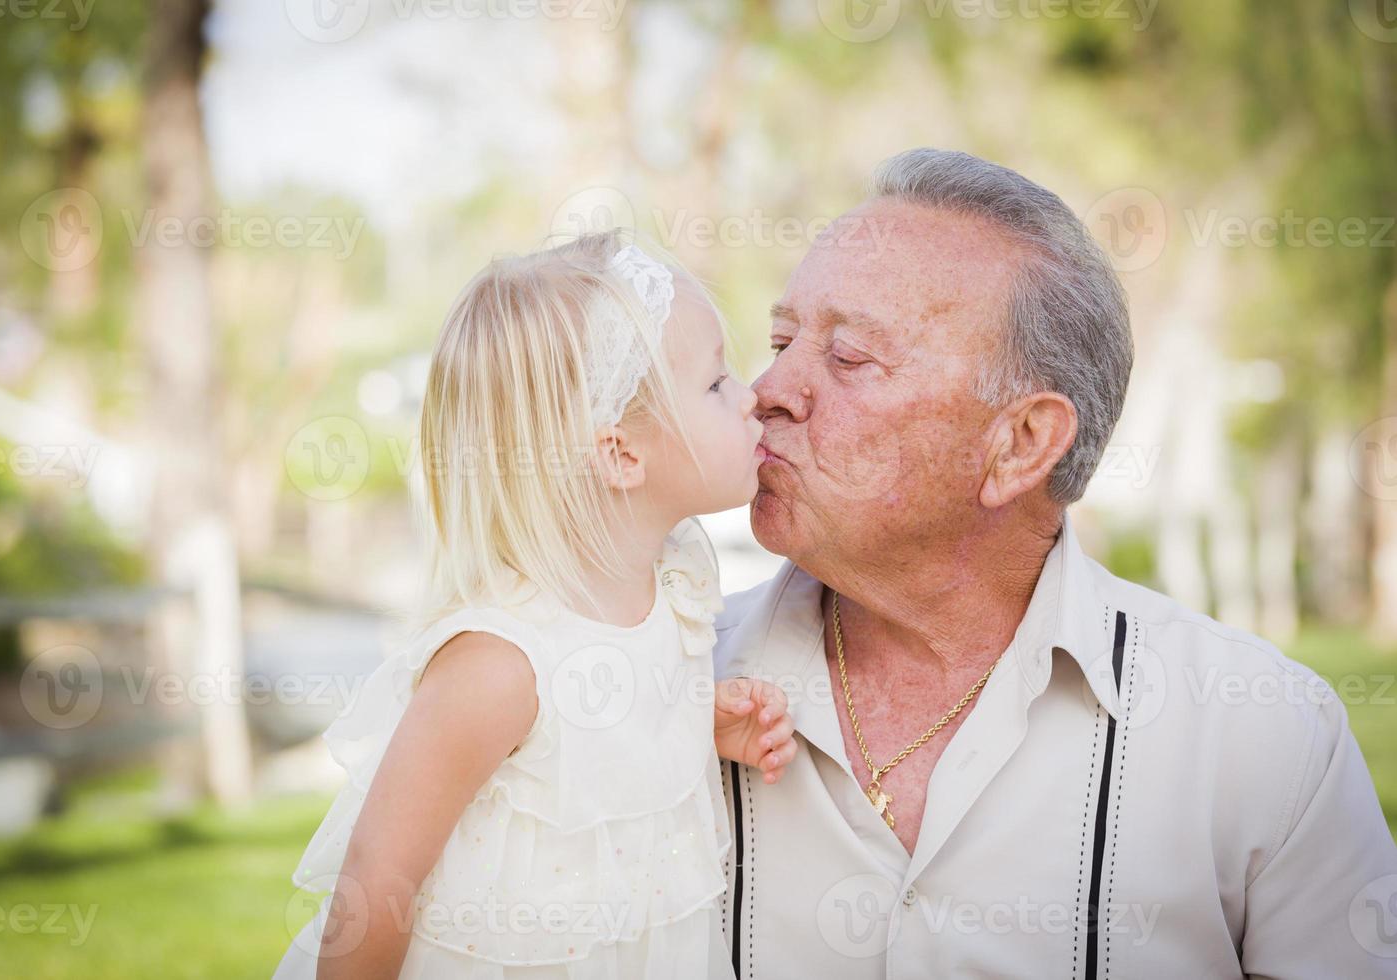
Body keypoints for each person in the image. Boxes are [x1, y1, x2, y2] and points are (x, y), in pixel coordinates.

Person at [714, 147, 1397, 978]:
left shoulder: (1266, 738)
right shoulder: (670, 683)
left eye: (849, 357)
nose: (767, 388)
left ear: (1022, 445)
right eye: (781, 339)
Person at [275, 231, 796, 979]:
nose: (754, 399)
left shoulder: (673, 588)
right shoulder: (499, 664)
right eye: (718, 384)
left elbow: (593, 750)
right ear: (620, 454)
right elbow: (378, 876)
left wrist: (690, 727)